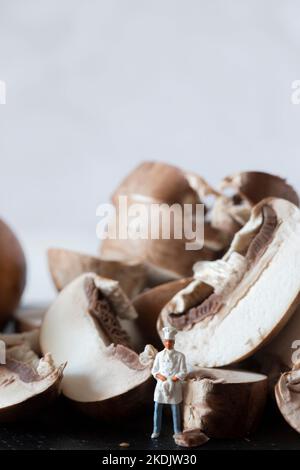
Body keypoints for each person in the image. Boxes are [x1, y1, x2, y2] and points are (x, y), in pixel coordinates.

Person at [151, 326, 187, 439]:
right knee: (157, 407)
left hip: (174, 385)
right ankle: (156, 430)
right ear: (164, 342)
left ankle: (177, 430)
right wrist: (160, 376)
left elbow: (183, 371)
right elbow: (154, 370)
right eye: (166, 341)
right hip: (161, 386)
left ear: (174, 342)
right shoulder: (159, 355)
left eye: (170, 341)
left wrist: (174, 378)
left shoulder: (180, 356)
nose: (168, 343)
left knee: (175, 408)